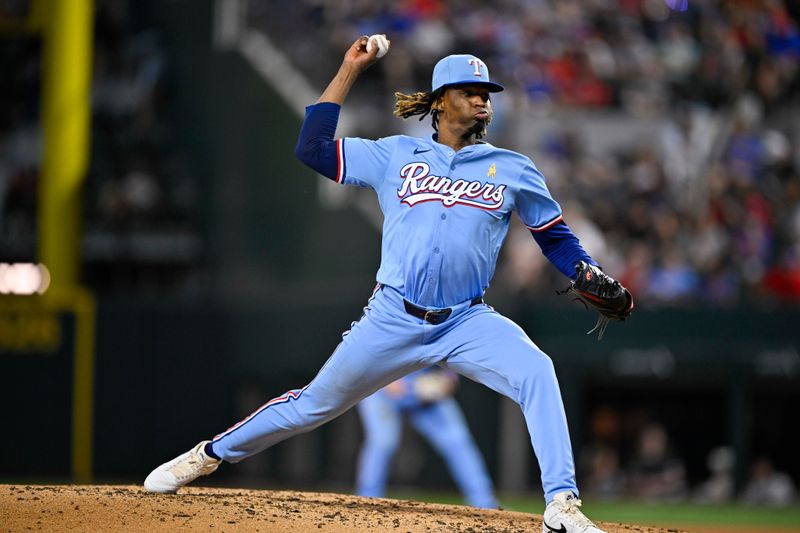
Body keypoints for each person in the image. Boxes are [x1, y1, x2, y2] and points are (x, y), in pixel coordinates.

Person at [144, 35, 633, 533]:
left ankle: (562, 505)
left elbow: (555, 237)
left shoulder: (513, 169)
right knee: (312, 405)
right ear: (441, 100)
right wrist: (348, 69)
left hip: (467, 319)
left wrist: (586, 271)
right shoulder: (394, 155)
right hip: (393, 317)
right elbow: (311, 149)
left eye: (487, 91)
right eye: (471, 90)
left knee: (538, 371)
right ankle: (207, 455)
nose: (484, 99)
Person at [356, 367, 498, 509]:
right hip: (382, 385)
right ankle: (367, 501)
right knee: (382, 442)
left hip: (424, 387)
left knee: (457, 441)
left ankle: (485, 503)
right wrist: (383, 378)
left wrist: (449, 378)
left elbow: (456, 351)